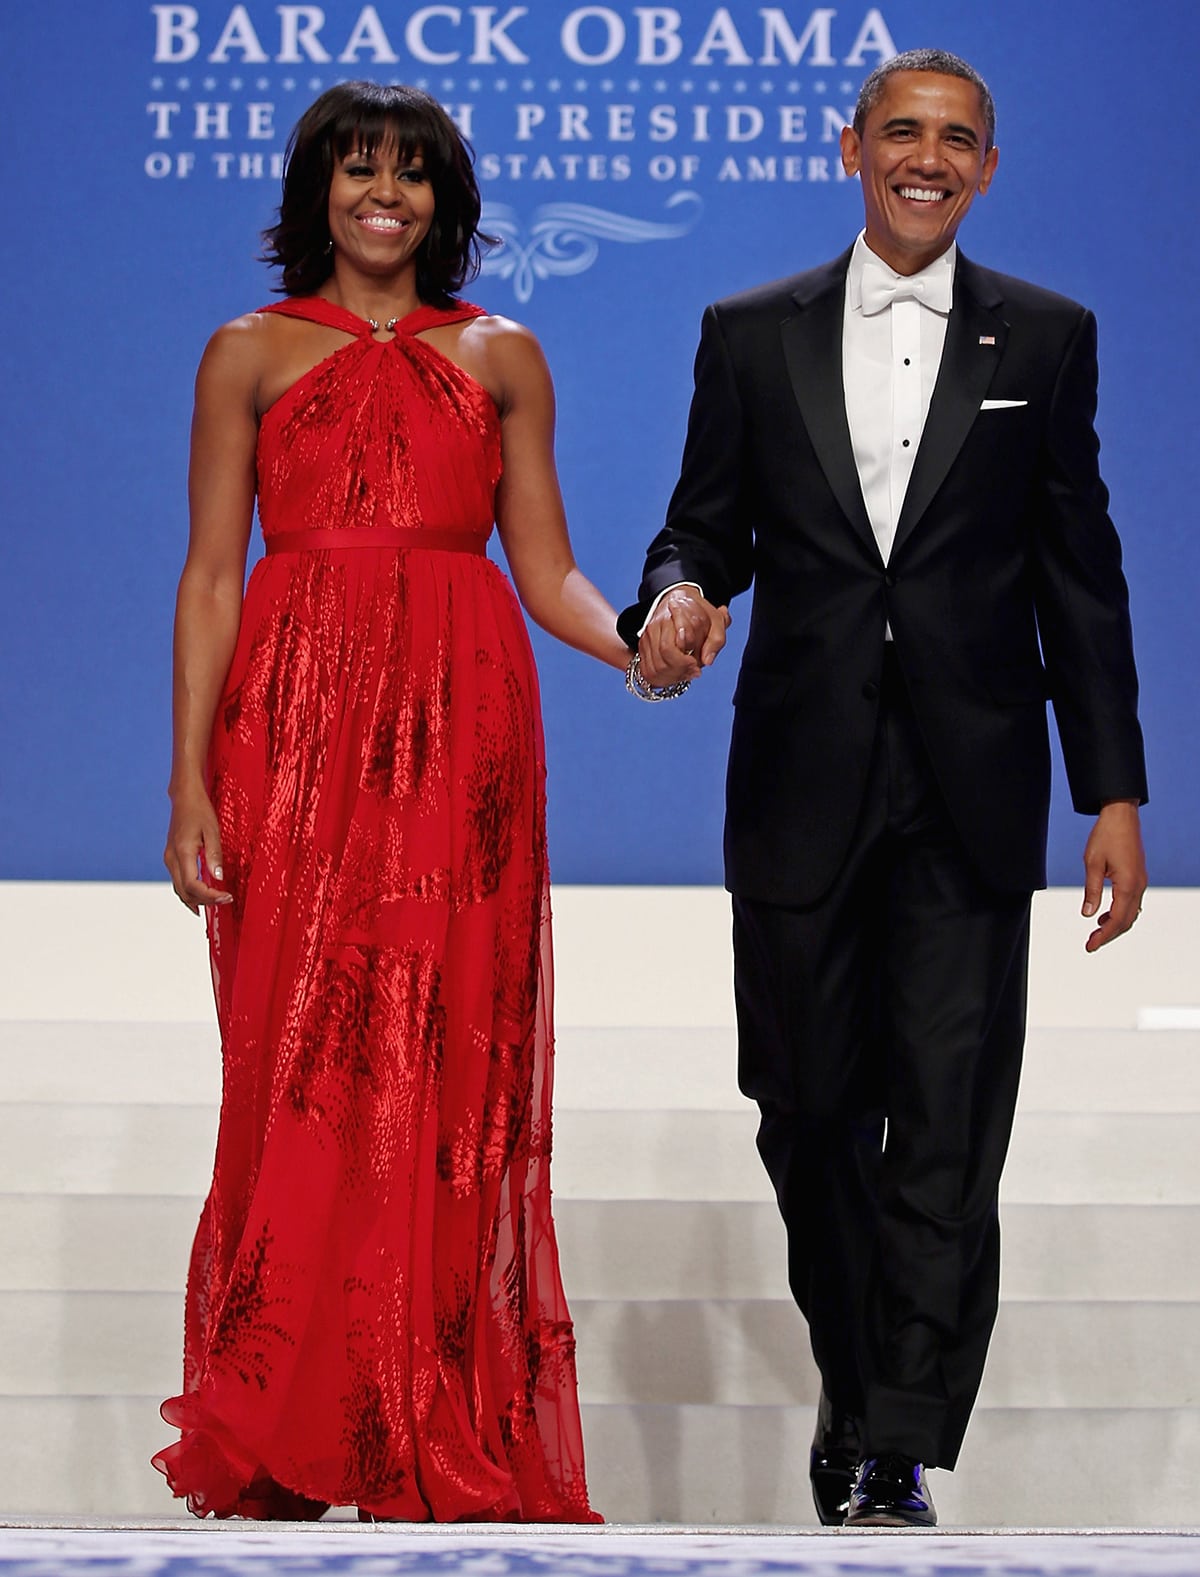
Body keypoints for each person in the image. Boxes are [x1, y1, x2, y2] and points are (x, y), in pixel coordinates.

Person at [619, 48, 1148, 1527]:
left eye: (957, 139)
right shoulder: (748, 332)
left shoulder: (1046, 337)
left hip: (975, 783)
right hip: (802, 774)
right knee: (802, 1106)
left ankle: (895, 1435)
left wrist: (1111, 788)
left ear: (989, 165)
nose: (928, 157)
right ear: (847, 146)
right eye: (902, 132)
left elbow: (1078, 572)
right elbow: (699, 525)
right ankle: (861, 1385)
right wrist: (671, 599)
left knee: (949, 1117)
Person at [157, 80, 627, 1522]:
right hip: (291, 728)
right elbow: (214, 572)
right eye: (359, 168)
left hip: (463, 731)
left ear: (445, 202)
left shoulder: (503, 356)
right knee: (301, 1053)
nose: (386, 195)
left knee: (443, 1062)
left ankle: (424, 1417)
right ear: (316, 189)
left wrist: (637, 638)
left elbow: (544, 568)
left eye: (412, 175)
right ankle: (288, 1424)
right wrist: (191, 779)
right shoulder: (245, 350)